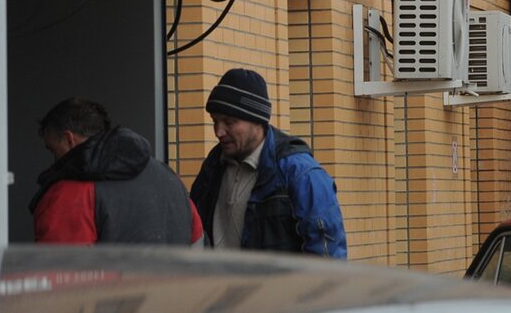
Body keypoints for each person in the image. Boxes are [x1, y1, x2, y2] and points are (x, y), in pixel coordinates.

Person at [190, 68, 347, 258]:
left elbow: (327, 255)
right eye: (215, 121)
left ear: (257, 121)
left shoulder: (300, 173)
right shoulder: (213, 167)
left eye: (229, 122)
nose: (219, 131)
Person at [31, 97, 204, 245]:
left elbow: (60, 267)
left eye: (53, 150)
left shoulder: (70, 192)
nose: (54, 160)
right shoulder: (170, 179)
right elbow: (197, 242)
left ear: (69, 139)